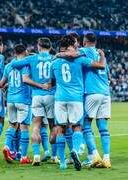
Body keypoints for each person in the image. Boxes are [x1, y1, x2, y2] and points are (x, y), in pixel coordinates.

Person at [49, 35, 105, 170]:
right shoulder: (80, 60)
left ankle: (62, 162)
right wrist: (102, 56)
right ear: (71, 44)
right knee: (77, 127)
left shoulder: (54, 62)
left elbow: (52, 83)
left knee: (60, 129)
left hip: (60, 99)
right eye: (75, 42)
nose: (77, 44)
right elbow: (101, 66)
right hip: (75, 98)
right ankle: (75, 150)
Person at [10, 38, 58, 165]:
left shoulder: (32, 59)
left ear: (39, 46)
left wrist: (29, 57)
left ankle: (36, 155)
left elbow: (14, 65)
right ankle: (54, 156)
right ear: (50, 47)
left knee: (36, 127)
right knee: (53, 126)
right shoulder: (54, 58)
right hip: (51, 96)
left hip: (36, 96)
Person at [0, 44, 32, 164]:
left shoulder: (9, 66)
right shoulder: (26, 65)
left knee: (12, 125)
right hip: (23, 99)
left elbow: (2, 84)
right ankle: (23, 157)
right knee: (24, 128)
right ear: (25, 51)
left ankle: (7, 147)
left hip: (10, 100)